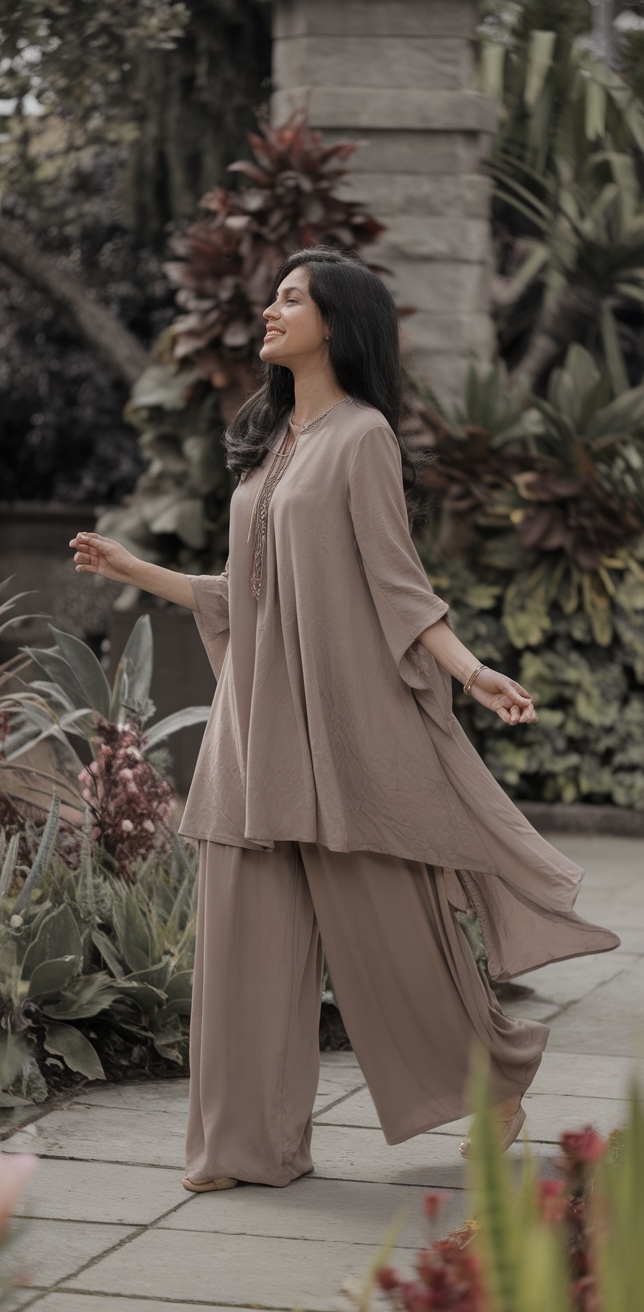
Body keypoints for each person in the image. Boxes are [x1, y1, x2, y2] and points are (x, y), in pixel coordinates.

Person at [70, 246, 619, 1194]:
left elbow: (398, 586)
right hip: (253, 736)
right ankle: (249, 1147)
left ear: (338, 321)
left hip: (342, 736)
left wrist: (472, 669)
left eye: (293, 299)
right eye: (274, 297)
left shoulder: (364, 437)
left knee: (391, 937)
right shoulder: (275, 446)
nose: (272, 311)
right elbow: (245, 596)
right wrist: (133, 570)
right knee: (243, 946)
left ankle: (492, 1082)